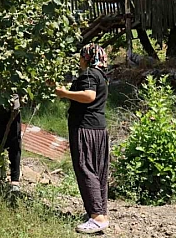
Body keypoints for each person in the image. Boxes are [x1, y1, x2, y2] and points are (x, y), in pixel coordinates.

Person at [54, 43, 110, 234]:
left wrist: (65, 94)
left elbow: (88, 96)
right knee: (97, 171)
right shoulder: (102, 75)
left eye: (81, 56)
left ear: (87, 57)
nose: (79, 60)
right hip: (99, 129)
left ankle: (97, 217)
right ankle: (101, 213)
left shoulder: (88, 75)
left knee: (85, 168)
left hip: (85, 128)